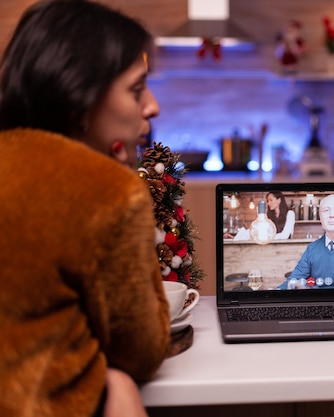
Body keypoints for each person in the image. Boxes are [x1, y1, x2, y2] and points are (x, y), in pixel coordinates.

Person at [0, 1, 171, 417]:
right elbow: (142, 351)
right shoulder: (105, 191)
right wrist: (125, 184)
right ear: (78, 99)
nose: (152, 106)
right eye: (136, 89)